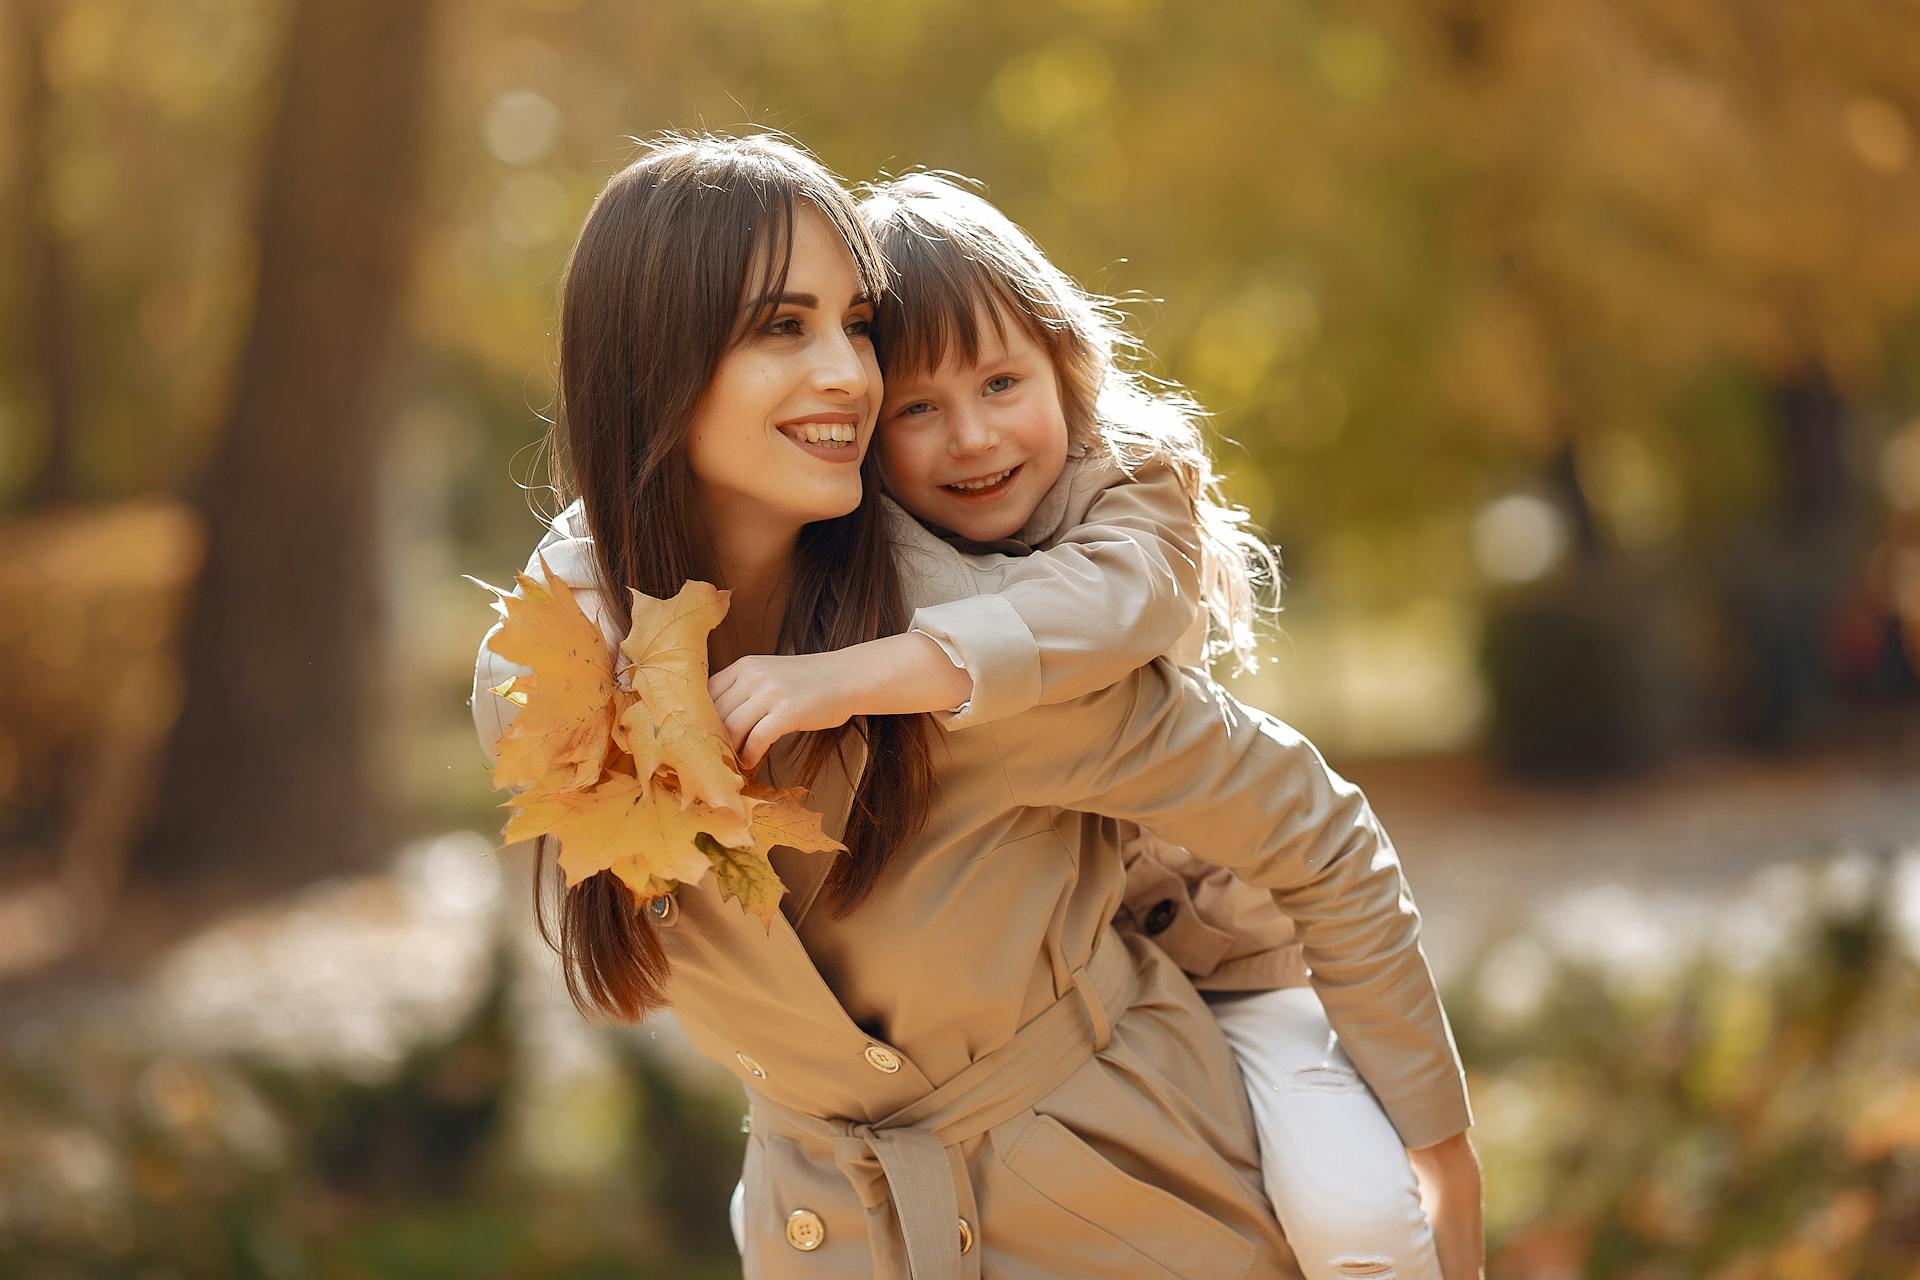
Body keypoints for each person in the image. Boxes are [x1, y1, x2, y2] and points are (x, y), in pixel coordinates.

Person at [471, 130, 1482, 1279]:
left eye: (856, 325)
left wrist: (1436, 1143)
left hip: (1137, 1210)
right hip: (830, 1237)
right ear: (648, 366)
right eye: (781, 325)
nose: (851, 373)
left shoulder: (974, 648)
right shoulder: (551, 686)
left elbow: (1311, 822)